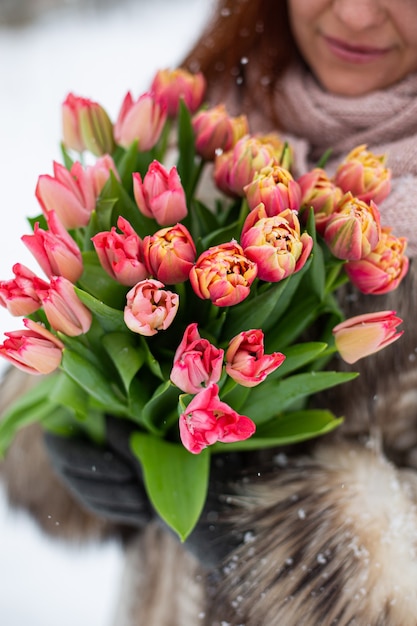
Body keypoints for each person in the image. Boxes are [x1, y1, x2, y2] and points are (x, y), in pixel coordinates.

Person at [2, 1, 417, 624]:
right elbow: (68, 326)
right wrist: (71, 418)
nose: (356, 14)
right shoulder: (197, 128)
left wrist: (312, 540)